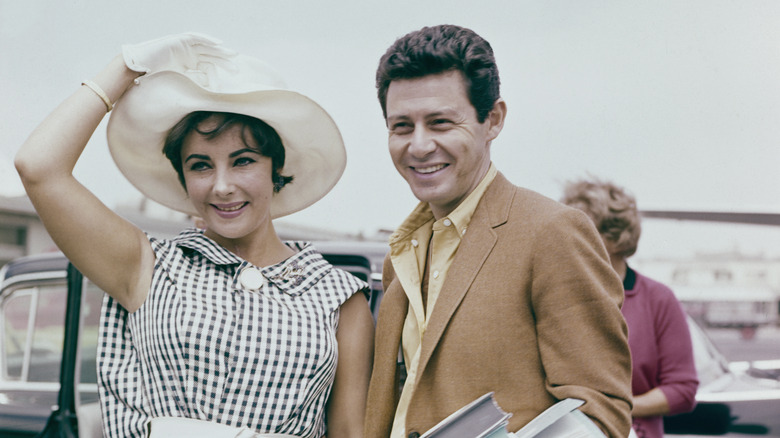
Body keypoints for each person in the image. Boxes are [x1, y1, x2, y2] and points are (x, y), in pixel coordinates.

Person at [15, 33, 374, 438]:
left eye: (243, 161)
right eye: (201, 165)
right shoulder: (148, 266)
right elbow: (38, 166)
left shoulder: (339, 297)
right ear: (183, 178)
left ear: (276, 168)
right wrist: (125, 66)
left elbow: (350, 432)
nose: (222, 186)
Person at [364, 24, 633, 438]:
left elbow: (601, 411)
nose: (418, 145)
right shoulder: (402, 255)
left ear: (493, 120)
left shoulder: (552, 232)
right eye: (401, 126)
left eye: (440, 123)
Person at [561, 178, 699, 438]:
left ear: (616, 238)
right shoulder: (554, 296)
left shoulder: (658, 299)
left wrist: (611, 409)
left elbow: (682, 389)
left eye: (581, 230)